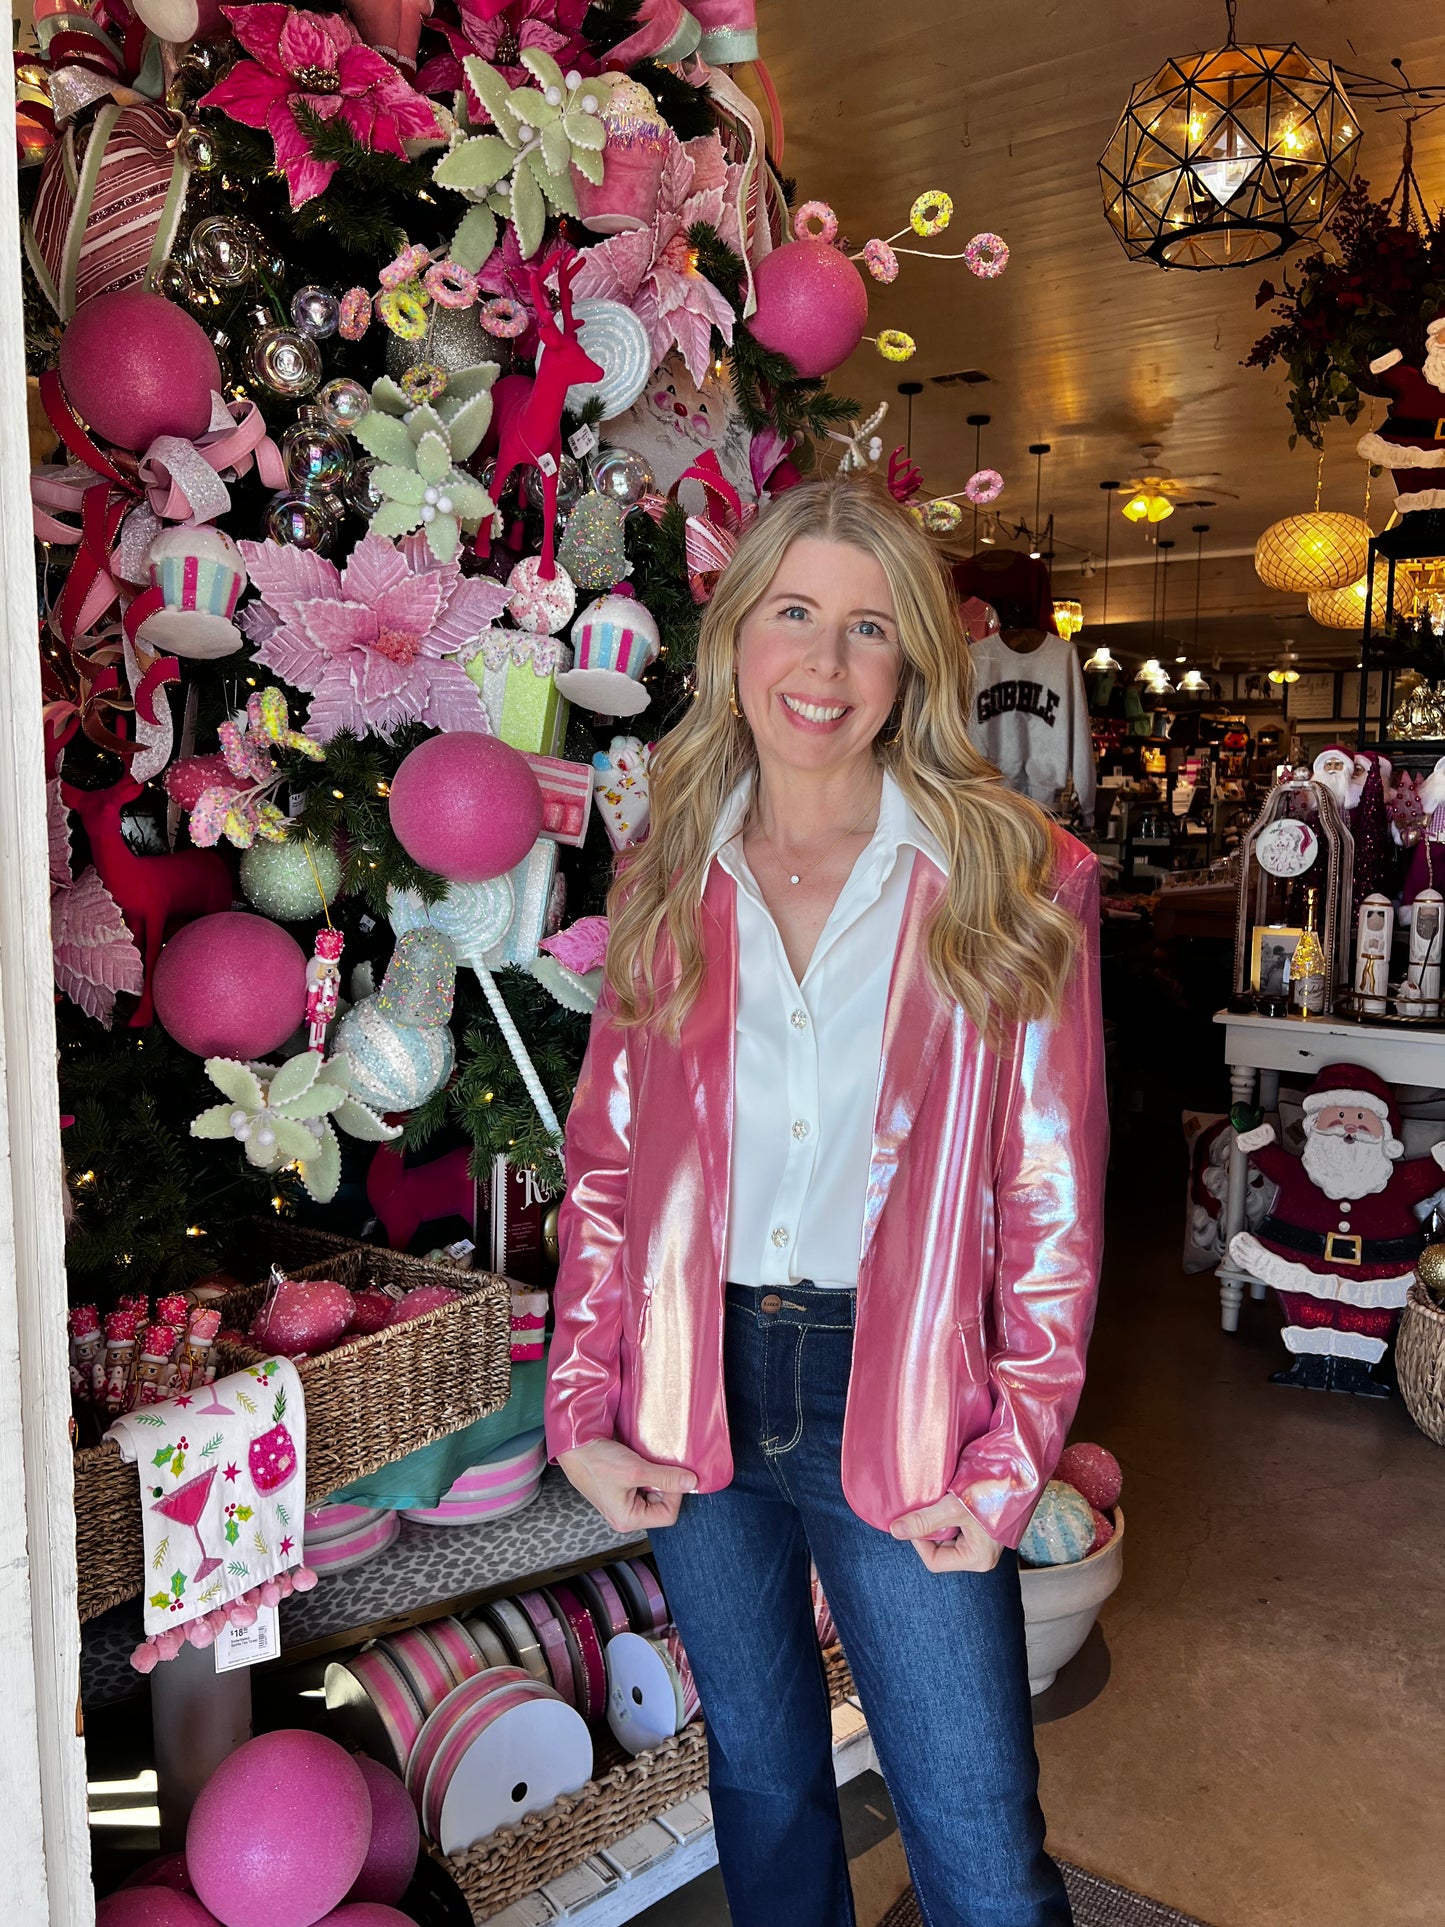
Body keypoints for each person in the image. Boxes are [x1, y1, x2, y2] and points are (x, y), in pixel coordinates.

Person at [546, 474, 1107, 1927]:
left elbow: (1051, 1199)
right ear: (736, 635)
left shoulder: (1010, 876)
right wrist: (581, 1407)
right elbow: (606, 1168)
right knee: (764, 1787)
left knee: (978, 1844)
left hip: (906, 1394)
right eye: (792, 613)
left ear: (911, 662)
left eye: (867, 629)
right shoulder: (671, 863)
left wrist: (1013, 1453)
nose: (823, 662)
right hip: (697, 1385)